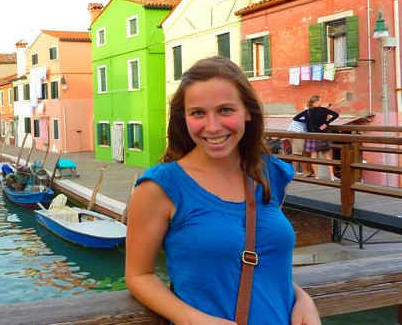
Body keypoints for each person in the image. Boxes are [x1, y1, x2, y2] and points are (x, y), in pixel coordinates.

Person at [125, 56, 320, 324]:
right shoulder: (160, 187)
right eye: (198, 113)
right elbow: (139, 276)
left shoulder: (269, 173)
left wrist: (302, 298)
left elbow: (264, 261)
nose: (213, 126)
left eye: (226, 110)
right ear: (184, 118)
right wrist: (195, 320)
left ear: (248, 111)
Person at [293, 96, 339, 181]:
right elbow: (336, 115)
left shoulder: (307, 112)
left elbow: (295, 118)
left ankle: (317, 176)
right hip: (322, 134)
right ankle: (332, 176)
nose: (321, 102)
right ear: (316, 102)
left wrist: (306, 122)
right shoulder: (324, 110)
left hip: (311, 135)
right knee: (326, 156)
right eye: (320, 100)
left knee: (313, 155)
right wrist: (326, 123)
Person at [288, 107, 314, 177]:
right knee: (296, 154)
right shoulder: (309, 113)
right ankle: (294, 174)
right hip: (298, 132)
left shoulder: (305, 112)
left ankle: (305, 172)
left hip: (292, 131)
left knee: (300, 153)